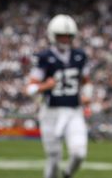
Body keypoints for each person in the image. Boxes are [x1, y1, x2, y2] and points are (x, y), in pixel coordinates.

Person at [25, 14, 92, 178]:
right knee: (54, 158)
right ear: (52, 35)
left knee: (79, 153)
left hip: (73, 111)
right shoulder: (44, 58)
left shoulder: (80, 56)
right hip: (50, 112)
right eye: (61, 35)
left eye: (68, 36)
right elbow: (30, 88)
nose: (64, 39)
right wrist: (45, 86)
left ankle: (67, 174)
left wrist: (87, 95)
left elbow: (86, 81)